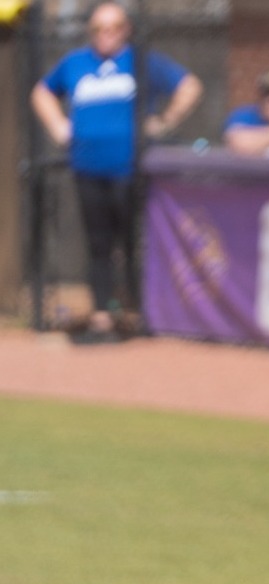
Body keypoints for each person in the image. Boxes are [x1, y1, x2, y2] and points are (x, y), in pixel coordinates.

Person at [31, 1, 202, 336]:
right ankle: (102, 314)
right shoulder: (76, 63)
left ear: (126, 30)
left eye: (112, 28)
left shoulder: (141, 61)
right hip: (87, 167)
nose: (104, 36)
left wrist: (164, 122)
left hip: (130, 171)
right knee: (99, 244)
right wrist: (58, 127)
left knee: (133, 242)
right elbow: (41, 92)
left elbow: (189, 86)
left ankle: (140, 311)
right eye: (97, 29)